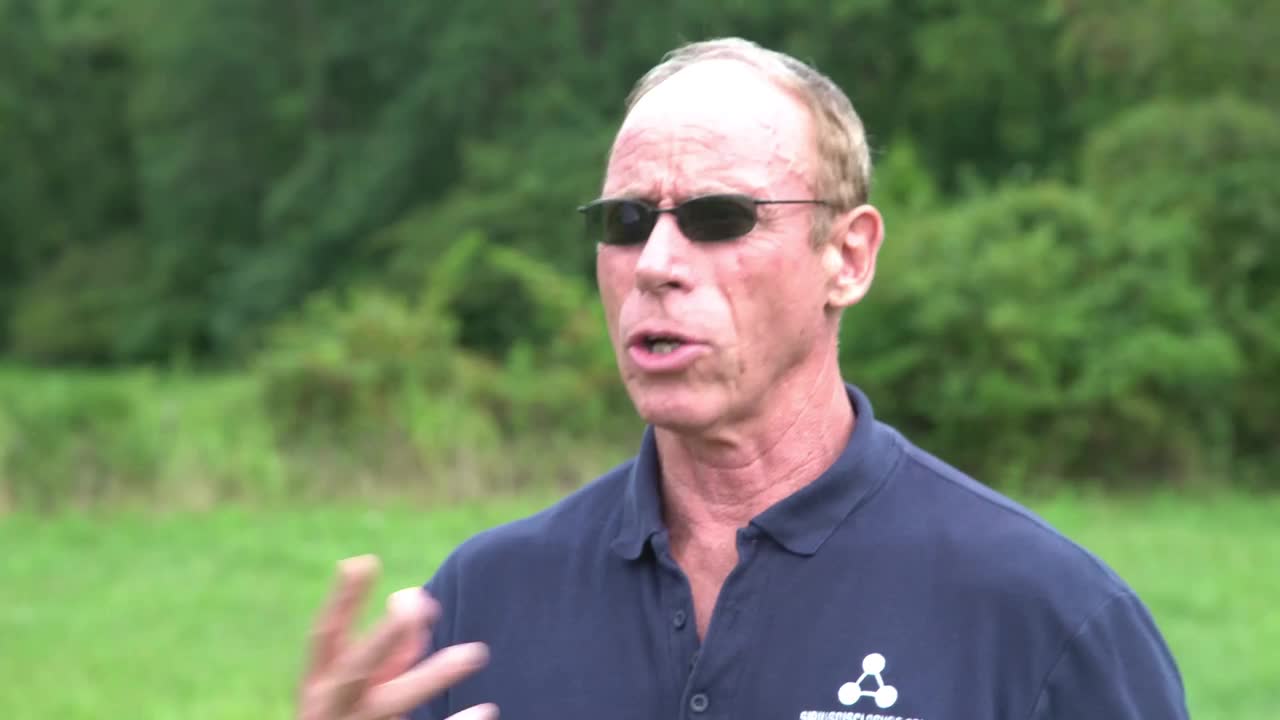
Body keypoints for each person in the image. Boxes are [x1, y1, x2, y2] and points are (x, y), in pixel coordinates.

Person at [296, 38, 1190, 720]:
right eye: (626, 220)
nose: (655, 263)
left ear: (848, 256)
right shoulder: (481, 606)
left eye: (718, 217)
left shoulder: (1045, 615)